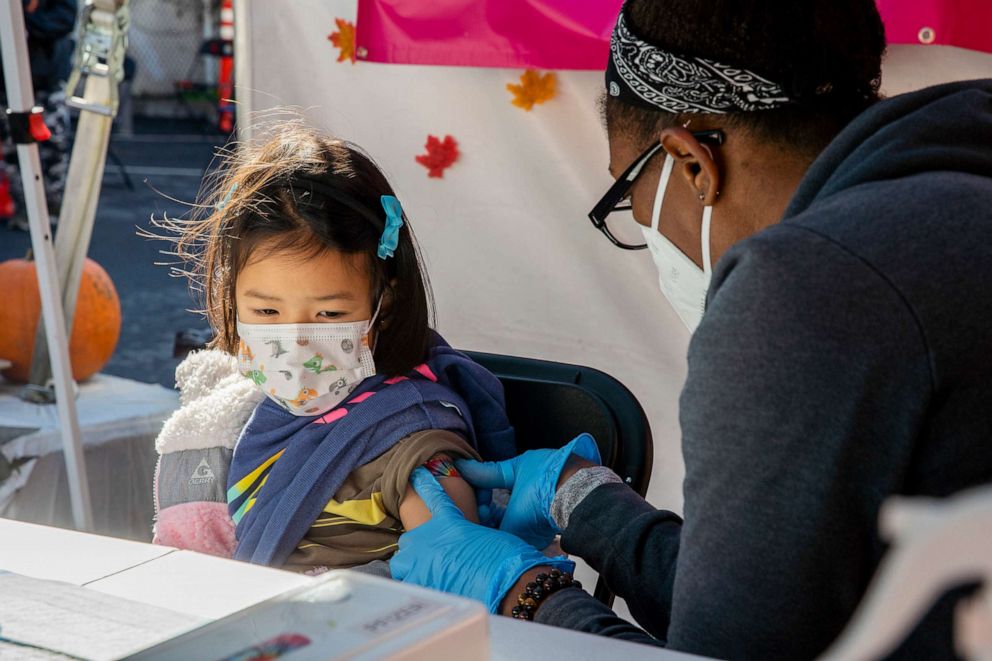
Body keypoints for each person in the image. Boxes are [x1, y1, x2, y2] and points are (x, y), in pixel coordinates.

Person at [388, 1, 992, 659]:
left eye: (630, 194)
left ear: (691, 160)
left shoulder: (805, 291)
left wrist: (522, 592)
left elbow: (720, 652)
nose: (643, 228)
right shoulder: (958, 178)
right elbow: (768, 597)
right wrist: (583, 500)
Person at [149, 124, 563, 584]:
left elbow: (450, 572)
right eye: (266, 310)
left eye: (328, 313)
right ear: (231, 298)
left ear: (382, 305)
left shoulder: (408, 432)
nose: (296, 341)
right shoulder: (238, 415)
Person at [0, 0, 77, 231]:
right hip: (8, 82)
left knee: (54, 142)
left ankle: (53, 204)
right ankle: (24, 206)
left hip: (47, 77)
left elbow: (64, 20)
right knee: (15, 146)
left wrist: (23, 20)